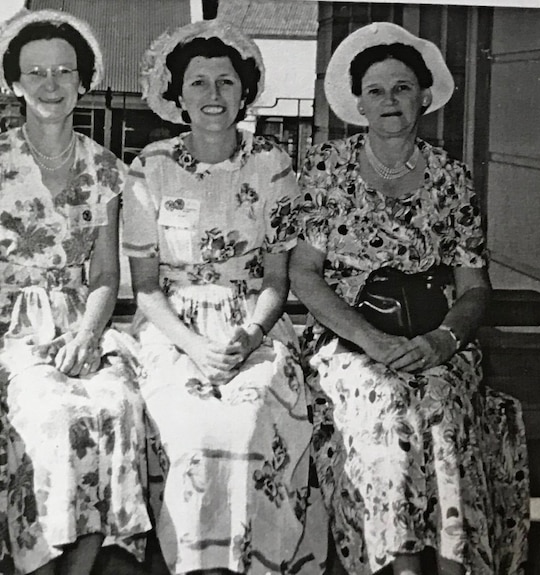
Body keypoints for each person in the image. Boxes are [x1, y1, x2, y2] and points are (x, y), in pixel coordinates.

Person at [288, 22, 529, 575]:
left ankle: (453, 566)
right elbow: (305, 272)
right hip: (353, 343)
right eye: (376, 90)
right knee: (388, 415)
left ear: (424, 96)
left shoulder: (451, 177)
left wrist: (445, 340)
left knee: (442, 413)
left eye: (401, 87)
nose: (389, 100)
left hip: (435, 343)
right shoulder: (329, 169)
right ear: (359, 103)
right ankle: (398, 567)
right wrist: (368, 339)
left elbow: (473, 285)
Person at [123, 19, 325, 575]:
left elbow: (277, 282)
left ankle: (253, 565)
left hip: (252, 324)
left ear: (244, 91)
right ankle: (197, 567)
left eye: (225, 82)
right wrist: (191, 345)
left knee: (251, 420)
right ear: (177, 95)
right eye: (198, 83)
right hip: (174, 327)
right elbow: (144, 289)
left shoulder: (274, 165)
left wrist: (250, 334)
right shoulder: (151, 167)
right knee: (191, 432)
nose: (213, 96)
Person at [0, 9, 151, 575]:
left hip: (79, 319)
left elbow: (106, 276)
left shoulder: (105, 169)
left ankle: (82, 570)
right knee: (54, 415)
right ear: (14, 83)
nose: (50, 84)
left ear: (82, 82)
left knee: (117, 405)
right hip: (10, 324)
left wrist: (91, 333)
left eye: (63, 72)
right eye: (35, 72)